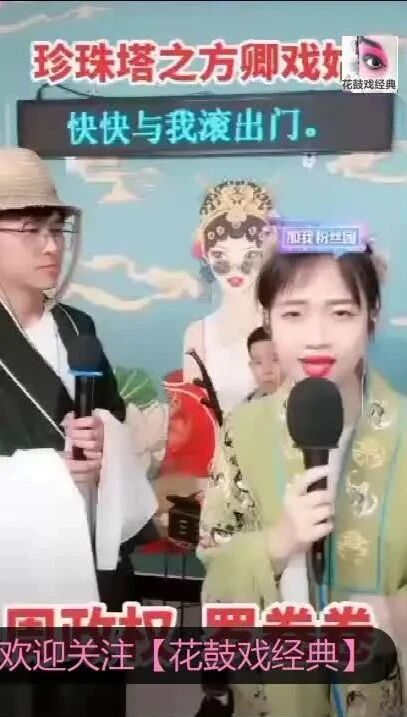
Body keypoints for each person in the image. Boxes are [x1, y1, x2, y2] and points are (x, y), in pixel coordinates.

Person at [197, 227, 407, 717]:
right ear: (267, 317)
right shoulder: (244, 429)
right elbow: (215, 562)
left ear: (372, 314)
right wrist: (278, 542)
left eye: (341, 312)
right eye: (294, 313)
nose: (317, 337)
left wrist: (390, 613)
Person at [0, 147, 156, 716]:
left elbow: (113, 417)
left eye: (56, 229)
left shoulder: (77, 326)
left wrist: (106, 443)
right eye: (30, 230)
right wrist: (50, 471)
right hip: (17, 565)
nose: (50, 246)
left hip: (92, 550)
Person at [183, 180, 279, 414]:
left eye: (250, 255)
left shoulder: (285, 324)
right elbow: (194, 414)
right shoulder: (197, 333)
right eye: (221, 255)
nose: (235, 268)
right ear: (205, 256)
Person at [246, 326, 281, 401]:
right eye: (258, 362)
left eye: (275, 360)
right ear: (251, 367)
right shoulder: (248, 404)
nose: (267, 370)